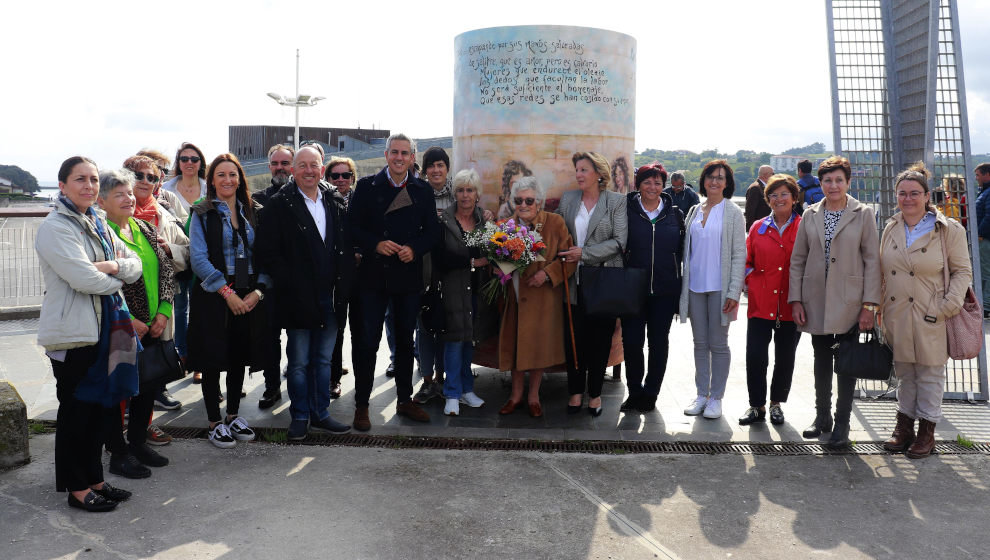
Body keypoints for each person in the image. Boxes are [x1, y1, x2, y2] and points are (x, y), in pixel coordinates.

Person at [37, 156, 142, 512]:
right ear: (62, 185)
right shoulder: (56, 227)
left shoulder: (96, 219)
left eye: (94, 180)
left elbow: (135, 263)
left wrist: (112, 265)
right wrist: (116, 277)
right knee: (76, 415)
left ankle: (95, 479)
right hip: (74, 334)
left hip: (105, 329)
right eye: (80, 179)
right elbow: (83, 279)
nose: (89, 186)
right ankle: (77, 487)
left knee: (100, 412)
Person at [255, 146, 353, 440]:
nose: (309, 171)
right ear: (294, 171)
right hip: (296, 299)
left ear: (322, 170)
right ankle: (299, 416)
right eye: (303, 166)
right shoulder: (279, 204)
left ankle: (320, 413)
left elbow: (345, 248)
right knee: (298, 362)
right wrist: (291, 283)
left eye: (314, 165)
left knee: (323, 361)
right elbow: (267, 253)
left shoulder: (335, 201)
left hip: (330, 298)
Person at [347, 133, 440, 431]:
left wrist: (415, 248)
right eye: (394, 152)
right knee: (366, 342)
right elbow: (351, 228)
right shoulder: (365, 186)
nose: (399, 158)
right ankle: (362, 405)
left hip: (406, 275)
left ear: (413, 157)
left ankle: (404, 399)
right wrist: (375, 244)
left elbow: (432, 233)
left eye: (405, 153)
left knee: (403, 342)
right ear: (385, 155)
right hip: (372, 277)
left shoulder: (422, 190)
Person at [879, 163, 972, 459]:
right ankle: (903, 427)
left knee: (930, 375)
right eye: (902, 193)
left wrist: (948, 306)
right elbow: (882, 272)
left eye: (914, 193)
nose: (908, 199)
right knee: (905, 373)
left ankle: (926, 433)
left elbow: (962, 271)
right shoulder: (891, 227)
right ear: (896, 196)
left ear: (927, 195)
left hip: (932, 312)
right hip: (897, 313)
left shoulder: (948, 229)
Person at [790, 155, 881, 449]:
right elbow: (798, 260)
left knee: (847, 363)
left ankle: (842, 423)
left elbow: (872, 261)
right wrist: (796, 300)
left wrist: (869, 305)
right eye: (827, 180)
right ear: (820, 183)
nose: (833, 185)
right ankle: (822, 418)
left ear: (848, 182)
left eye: (838, 180)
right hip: (816, 298)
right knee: (820, 359)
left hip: (849, 301)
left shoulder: (863, 213)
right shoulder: (810, 214)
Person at [187, 154, 270, 448]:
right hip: (214, 295)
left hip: (248, 294)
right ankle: (213, 422)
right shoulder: (201, 212)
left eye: (232, 174)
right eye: (220, 175)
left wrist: (257, 292)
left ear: (240, 179)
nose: (227, 180)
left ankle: (233, 415)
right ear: (211, 180)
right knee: (212, 360)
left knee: (238, 357)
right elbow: (197, 258)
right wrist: (227, 292)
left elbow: (267, 256)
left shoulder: (255, 210)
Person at [97, 168, 177, 475]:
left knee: (148, 385)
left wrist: (164, 311)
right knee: (118, 391)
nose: (129, 198)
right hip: (120, 325)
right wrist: (131, 319)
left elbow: (168, 270)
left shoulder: (144, 227)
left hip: (154, 323)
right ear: (102, 201)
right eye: (120, 194)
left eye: (130, 193)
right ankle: (117, 452)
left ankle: (138, 442)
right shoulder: (101, 233)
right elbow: (101, 281)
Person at [122, 155, 190, 445]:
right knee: (121, 374)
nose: (147, 182)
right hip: (123, 316)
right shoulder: (108, 218)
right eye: (140, 175)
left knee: (149, 374)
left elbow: (188, 254)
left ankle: (142, 429)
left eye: (153, 177)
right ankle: (116, 436)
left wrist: (170, 249)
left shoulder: (164, 214)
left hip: (158, 311)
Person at [498, 177, 576, 417]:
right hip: (515, 296)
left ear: (539, 202)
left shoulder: (555, 223)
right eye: (519, 200)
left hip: (543, 297)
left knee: (538, 347)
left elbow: (568, 258)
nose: (524, 205)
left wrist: (547, 274)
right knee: (516, 344)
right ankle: (515, 395)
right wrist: (500, 266)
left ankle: (533, 397)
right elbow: (500, 261)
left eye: (529, 200)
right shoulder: (506, 226)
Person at [558, 151, 628, 417]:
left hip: (604, 281)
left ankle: (595, 395)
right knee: (574, 339)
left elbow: (620, 242)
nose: (578, 174)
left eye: (584, 170)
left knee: (600, 341)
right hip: (573, 281)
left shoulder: (616, 202)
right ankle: (575, 392)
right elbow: (555, 229)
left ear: (599, 173)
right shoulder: (569, 199)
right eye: (577, 170)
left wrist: (583, 253)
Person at [679, 160, 746, 420]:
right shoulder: (695, 209)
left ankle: (716, 397)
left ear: (727, 183)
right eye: (710, 177)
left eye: (720, 178)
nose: (714, 181)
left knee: (718, 344)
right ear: (704, 180)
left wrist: (733, 292)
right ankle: (701, 394)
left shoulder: (732, 212)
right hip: (695, 286)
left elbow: (740, 254)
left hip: (720, 288)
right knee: (699, 343)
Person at [620, 163, 684, 413]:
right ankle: (634, 391)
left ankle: (651, 392)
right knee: (632, 343)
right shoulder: (625, 210)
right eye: (647, 181)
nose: (652, 187)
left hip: (665, 290)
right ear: (638, 184)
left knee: (659, 343)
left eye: (658, 182)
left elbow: (682, 253)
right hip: (631, 289)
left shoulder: (674, 214)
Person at [740, 174, 802, 426]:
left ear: (794, 198)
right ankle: (757, 406)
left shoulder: (805, 225)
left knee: (785, 357)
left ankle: (777, 403)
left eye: (784, 194)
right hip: (760, 303)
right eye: (773, 195)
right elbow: (746, 260)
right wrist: (751, 281)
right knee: (755, 356)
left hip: (791, 304)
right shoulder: (757, 227)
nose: (779, 199)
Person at [436, 169, 495, 416]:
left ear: (477, 194)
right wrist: (472, 263)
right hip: (452, 288)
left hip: (478, 290)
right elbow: (441, 256)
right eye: (460, 190)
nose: (465, 195)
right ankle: (451, 392)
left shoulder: (485, 220)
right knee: (454, 341)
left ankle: (466, 390)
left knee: (469, 339)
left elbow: (493, 251)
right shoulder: (444, 219)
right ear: (454, 193)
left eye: (469, 190)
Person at [253, 144, 296, 410]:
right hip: (269, 281)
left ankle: (297, 386)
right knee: (270, 338)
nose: (280, 168)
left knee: (298, 338)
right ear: (269, 166)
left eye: (285, 163)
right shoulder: (258, 199)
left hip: (299, 282)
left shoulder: (305, 195)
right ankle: (272, 387)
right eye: (275, 163)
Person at [161, 142, 208, 383]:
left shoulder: (209, 188)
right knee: (179, 308)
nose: (189, 163)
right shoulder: (166, 188)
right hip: (177, 257)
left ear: (201, 163)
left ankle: (199, 359)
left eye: (194, 159)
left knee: (200, 309)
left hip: (203, 257)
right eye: (184, 159)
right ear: (178, 162)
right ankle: (183, 355)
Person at [412, 146, 453, 404]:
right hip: (423, 270)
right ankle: (427, 380)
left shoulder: (458, 194)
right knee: (424, 326)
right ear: (424, 170)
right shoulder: (416, 193)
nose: (436, 170)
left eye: (441, 165)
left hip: (451, 270)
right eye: (431, 166)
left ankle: (441, 377)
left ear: (447, 168)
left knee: (447, 327)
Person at [325, 156, 358, 398]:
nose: (340, 180)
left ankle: (362, 383)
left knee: (363, 332)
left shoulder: (361, 201)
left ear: (352, 178)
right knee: (336, 329)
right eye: (334, 175)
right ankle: (333, 378)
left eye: (345, 175)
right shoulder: (324, 202)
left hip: (363, 277)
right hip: (335, 277)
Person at [974, 162, 990, 316]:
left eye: (978, 175)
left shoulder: (988, 192)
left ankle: (985, 307)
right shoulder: (985, 191)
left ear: (987, 175)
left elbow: (989, 216)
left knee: (985, 273)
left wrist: (979, 233)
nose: (976, 178)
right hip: (984, 238)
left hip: (985, 239)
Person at [745, 164, 774, 231]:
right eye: (772, 174)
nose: (774, 176)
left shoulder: (763, 187)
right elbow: (750, 212)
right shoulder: (755, 188)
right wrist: (751, 230)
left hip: (764, 227)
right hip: (758, 228)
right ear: (766, 175)